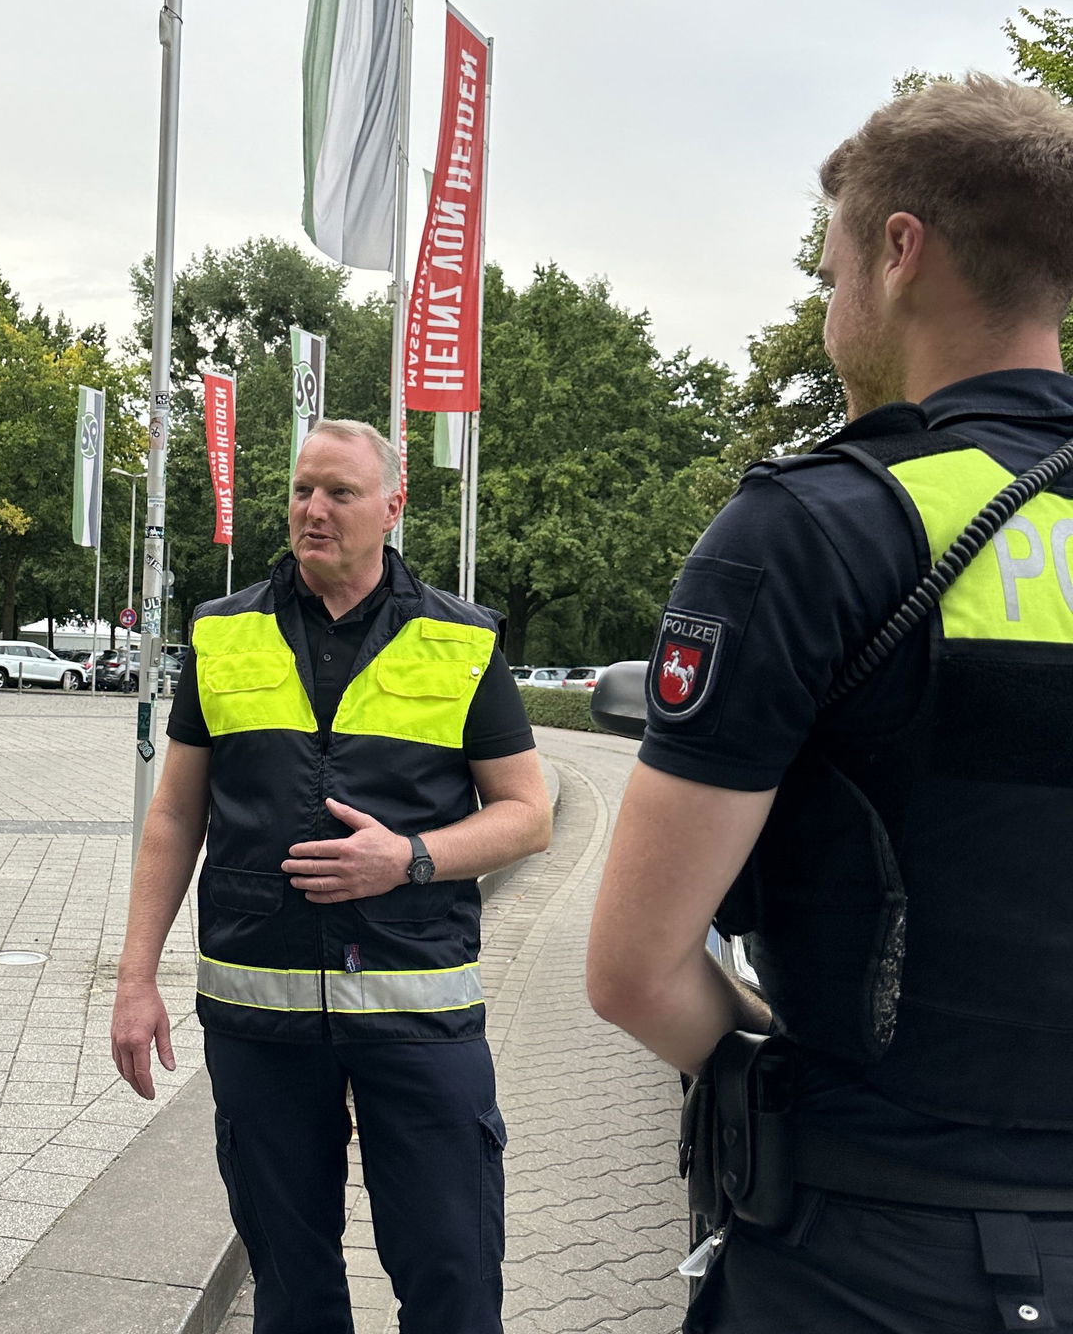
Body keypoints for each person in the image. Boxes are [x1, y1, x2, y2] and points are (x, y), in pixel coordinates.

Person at [587, 74, 1073, 1332]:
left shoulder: (814, 527)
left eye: (829, 270)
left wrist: (772, 1070)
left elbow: (635, 970)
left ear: (900, 253)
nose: (825, 306)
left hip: (873, 1249)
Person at [111, 418, 551, 1334]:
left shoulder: (460, 640)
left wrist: (410, 858)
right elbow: (176, 816)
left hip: (416, 1004)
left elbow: (527, 814)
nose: (314, 510)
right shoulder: (223, 633)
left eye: (340, 492)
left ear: (392, 506)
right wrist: (135, 979)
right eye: (302, 489)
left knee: (453, 1277)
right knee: (292, 1285)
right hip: (260, 1014)